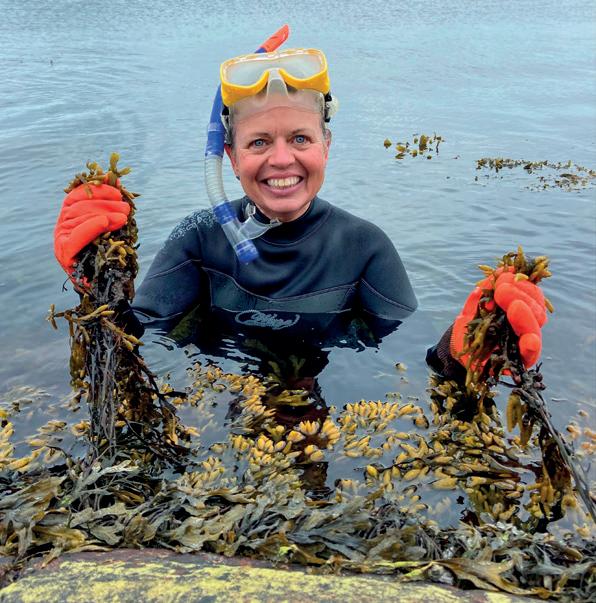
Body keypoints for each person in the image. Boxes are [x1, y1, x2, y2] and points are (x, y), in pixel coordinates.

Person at [54, 43, 547, 382]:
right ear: (231, 158)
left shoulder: (365, 247)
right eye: (258, 142)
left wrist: (462, 349)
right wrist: (97, 283)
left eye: (300, 139)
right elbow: (136, 342)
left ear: (326, 146)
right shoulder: (199, 237)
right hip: (224, 400)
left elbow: (405, 360)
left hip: (329, 395)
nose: (281, 159)